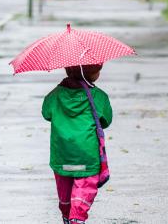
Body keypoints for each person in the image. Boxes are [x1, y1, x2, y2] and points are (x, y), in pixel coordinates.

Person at [42, 64, 112, 224]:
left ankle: (67, 216)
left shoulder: (54, 95)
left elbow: (46, 113)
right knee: (85, 188)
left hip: (62, 156)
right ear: (94, 75)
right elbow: (106, 120)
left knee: (64, 191)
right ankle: (77, 218)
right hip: (87, 156)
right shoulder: (99, 96)